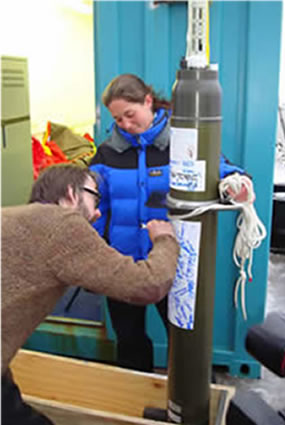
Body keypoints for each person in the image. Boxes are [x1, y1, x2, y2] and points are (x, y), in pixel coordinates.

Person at [90, 73, 250, 373]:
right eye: (117, 119)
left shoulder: (183, 140)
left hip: (173, 264)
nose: (124, 124)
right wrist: (95, 253)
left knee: (182, 337)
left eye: (130, 114)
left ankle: (182, 402)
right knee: (129, 338)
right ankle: (135, 400)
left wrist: (236, 182)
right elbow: (95, 203)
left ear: (148, 102)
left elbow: (221, 169)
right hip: (122, 264)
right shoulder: (107, 153)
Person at [1, 164, 179, 425]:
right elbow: (147, 284)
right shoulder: (62, 224)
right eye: (95, 197)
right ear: (72, 194)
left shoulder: (11, 216)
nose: (97, 213)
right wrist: (165, 241)